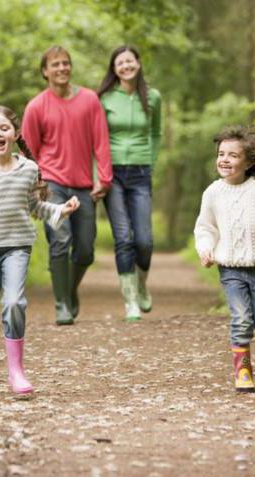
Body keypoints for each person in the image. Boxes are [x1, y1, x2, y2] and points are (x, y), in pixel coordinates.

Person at [0, 105, 80, 394]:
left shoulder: (28, 168)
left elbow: (34, 206)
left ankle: (16, 372)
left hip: (18, 248)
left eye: (4, 128)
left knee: (14, 303)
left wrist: (60, 210)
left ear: (14, 134)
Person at [22, 45, 113, 326]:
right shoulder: (37, 106)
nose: (62, 68)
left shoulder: (89, 100)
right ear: (45, 72)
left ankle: (69, 290)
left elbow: (101, 140)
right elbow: (28, 152)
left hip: (84, 185)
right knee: (61, 241)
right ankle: (61, 304)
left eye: (65, 63)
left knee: (85, 249)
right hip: (52, 185)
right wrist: (34, 187)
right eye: (55, 64)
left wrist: (104, 178)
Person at [193, 126, 255, 392]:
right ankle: (243, 369)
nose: (224, 159)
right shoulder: (212, 193)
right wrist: (205, 249)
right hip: (230, 269)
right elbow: (205, 228)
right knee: (241, 318)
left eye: (233, 155)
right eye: (221, 154)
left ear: (248, 162)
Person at [97, 45, 162, 322]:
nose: (125, 66)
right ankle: (130, 301)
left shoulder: (153, 97)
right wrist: (98, 174)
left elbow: (156, 133)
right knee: (123, 238)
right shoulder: (104, 98)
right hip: (112, 174)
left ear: (138, 63)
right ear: (114, 69)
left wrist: (150, 161)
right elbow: (96, 138)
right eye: (120, 63)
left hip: (140, 172)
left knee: (144, 241)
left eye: (130, 61)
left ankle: (142, 284)